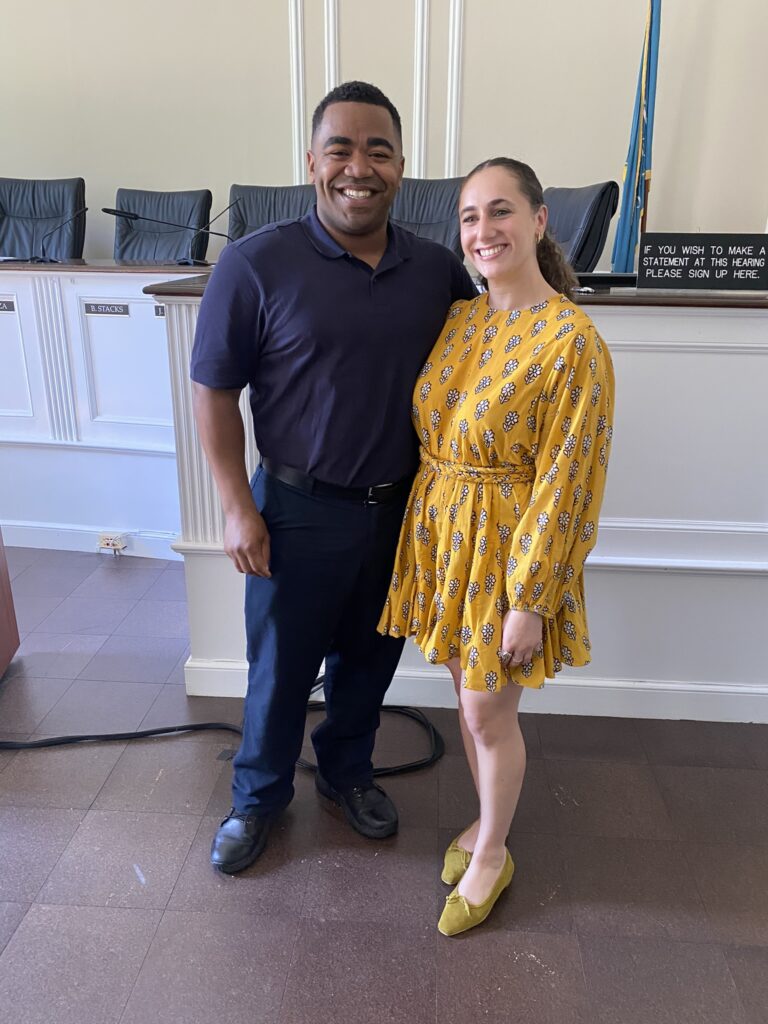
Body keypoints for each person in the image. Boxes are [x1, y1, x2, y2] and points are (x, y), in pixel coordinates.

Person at [190, 81, 477, 874]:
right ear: (312, 162)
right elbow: (214, 393)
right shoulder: (254, 264)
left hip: (400, 512)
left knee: (369, 660)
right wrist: (237, 507)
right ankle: (258, 798)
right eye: (341, 149)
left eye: (378, 150)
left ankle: (347, 773)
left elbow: (490, 359)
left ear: (401, 167)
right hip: (293, 510)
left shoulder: (437, 272)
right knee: (280, 670)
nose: (360, 166)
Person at [378, 157, 615, 935]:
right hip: (448, 539)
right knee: (465, 699)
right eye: (471, 216)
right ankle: (486, 824)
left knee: (485, 715)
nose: (484, 231)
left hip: (511, 551)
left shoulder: (572, 341)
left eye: (502, 211)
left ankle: (492, 853)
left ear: (540, 221)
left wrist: (530, 599)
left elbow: (568, 480)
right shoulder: (461, 318)